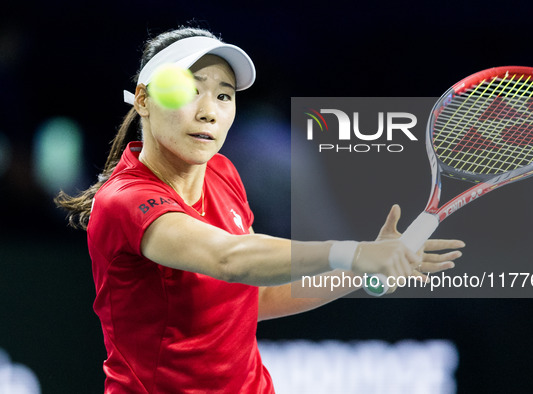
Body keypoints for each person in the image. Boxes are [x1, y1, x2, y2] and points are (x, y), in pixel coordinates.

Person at [55, 26, 464, 393]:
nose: (208, 110)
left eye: (223, 95)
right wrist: (351, 250)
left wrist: (360, 269)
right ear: (143, 100)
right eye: (189, 90)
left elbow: (255, 295)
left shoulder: (222, 172)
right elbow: (228, 258)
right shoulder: (125, 200)